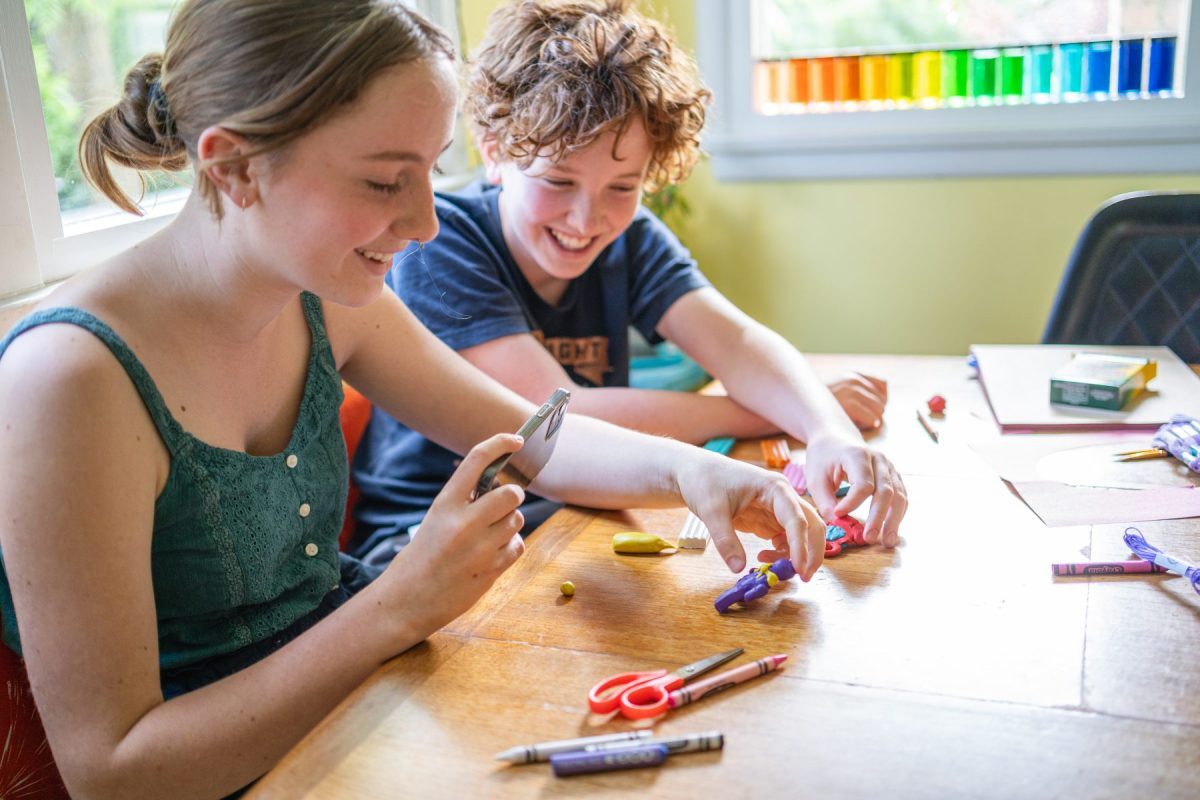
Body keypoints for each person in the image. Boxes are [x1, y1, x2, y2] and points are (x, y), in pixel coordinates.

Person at [0, 2, 829, 797]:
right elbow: (114, 776)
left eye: (430, 172)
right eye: (384, 181)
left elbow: (534, 439)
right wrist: (398, 606)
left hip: (366, 710)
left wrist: (696, 476)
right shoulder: (69, 380)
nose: (427, 223)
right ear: (233, 166)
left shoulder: (323, 296)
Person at [351, 0, 907, 564]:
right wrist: (768, 413)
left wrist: (826, 428)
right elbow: (559, 425)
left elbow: (736, 342)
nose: (587, 219)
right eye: (559, 181)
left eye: (622, 187)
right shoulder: (439, 241)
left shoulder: (630, 236)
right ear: (495, 152)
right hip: (427, 535)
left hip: (570, 510)